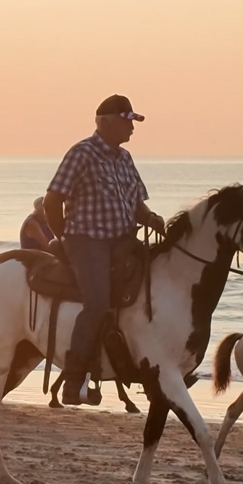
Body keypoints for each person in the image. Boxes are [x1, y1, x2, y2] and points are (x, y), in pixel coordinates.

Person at [44, 94, 166, 406]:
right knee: (97, 302)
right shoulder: (81, 153)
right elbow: (52, 200)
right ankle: (73, 380)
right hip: (87, 241)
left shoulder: (125, 159)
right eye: (127, 121)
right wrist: (66, 239)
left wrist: (150, 217)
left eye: (132, 121)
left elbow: (135, 203)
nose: (131, 128)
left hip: (123, 240)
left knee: (150, 286)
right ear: (105, 122)